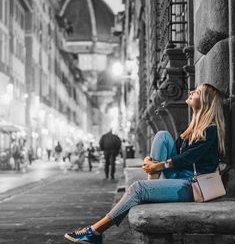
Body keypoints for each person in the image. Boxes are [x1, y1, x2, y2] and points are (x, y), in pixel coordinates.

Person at [64, 83, 225, 244]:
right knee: (162, 135)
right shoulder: (191, 130)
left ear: (205, 101)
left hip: (193, 185)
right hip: (180, 176)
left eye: (196, 92)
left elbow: (187, 158)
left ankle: (94, 232)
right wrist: (151, 161)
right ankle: (151, 184)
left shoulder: (210, 130)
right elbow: (175, 152)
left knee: (138, 188)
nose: (190, 92)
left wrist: (159, 166)